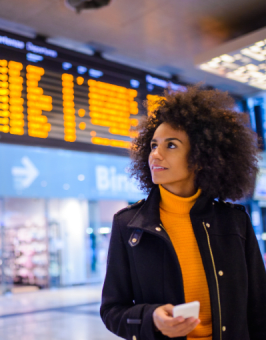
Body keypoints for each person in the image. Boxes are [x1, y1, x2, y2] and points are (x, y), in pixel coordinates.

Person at [100, 86, 266, 340]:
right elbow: (112, 310)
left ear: (201, 157)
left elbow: (259, 307)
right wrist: (152, 318)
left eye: (171, 145)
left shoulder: (234, 222)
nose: (155, 154)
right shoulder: (129, 224)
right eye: (154, 145)